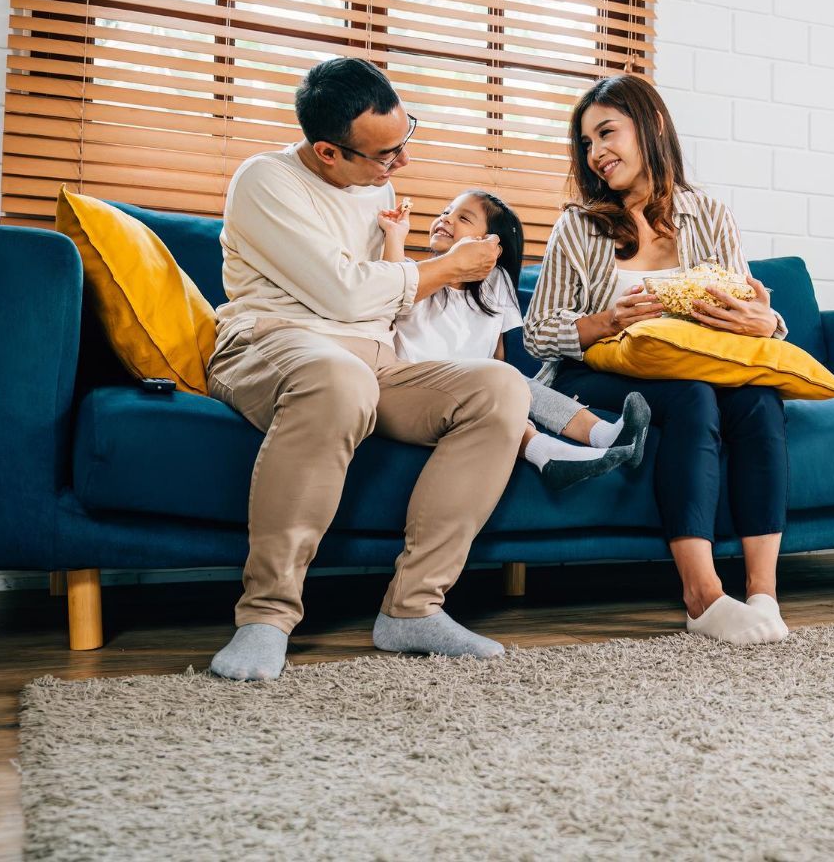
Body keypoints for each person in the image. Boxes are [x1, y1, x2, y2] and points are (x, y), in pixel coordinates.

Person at [205, 57, 530, 681]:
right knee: (339, 380)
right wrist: (446, 268)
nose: (401, 164)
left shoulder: (375, 186)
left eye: (405, 139)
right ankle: (266, 617)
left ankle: (413, 608)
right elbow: (346, 293)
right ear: (328, 152)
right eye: (385, 155)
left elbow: (381, 299)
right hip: (273, 341)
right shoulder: (264, 181)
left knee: (500, 387)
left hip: (373, 358)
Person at [524, 74, 792, 646]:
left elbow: (751, 310)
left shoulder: (710, 215)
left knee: (757, 399)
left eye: (607, 133)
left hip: (697, 364)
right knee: (693, 399)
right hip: (600, 374)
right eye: (587, 143)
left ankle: (763, 593)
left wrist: (767, 322)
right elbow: (536, 332)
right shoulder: (578, 226)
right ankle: (702, 596)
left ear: (653, 125)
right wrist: (606, 322)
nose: (596, 153)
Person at [377, 189, 651, 489]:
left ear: (490, 245)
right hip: (422, 388)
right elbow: (389, 288)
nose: (446, 219)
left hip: (479, 385)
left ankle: (607, 436)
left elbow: (499, 354)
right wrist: (394, 234)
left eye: (463, 218)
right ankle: (548, 453)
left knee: (513, 383)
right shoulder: (413, 275)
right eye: (445, 211)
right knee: (498, 390)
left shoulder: (496, 283)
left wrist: (511, 388)